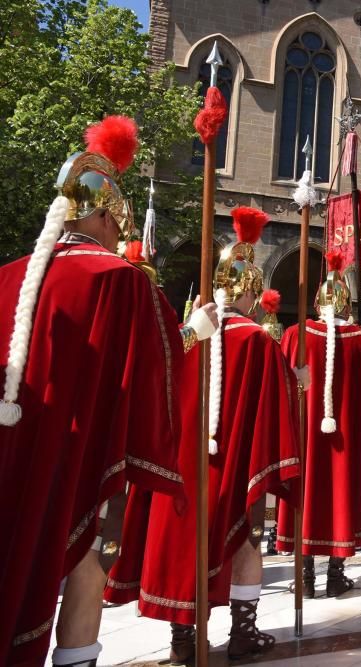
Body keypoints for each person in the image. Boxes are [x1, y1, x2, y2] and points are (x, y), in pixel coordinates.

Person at [0, 116, 219, 667]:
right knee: (87, 562)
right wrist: (200, 328)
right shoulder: (120, 279)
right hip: (76, 458)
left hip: (12, 457)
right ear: (101, 215)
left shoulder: (8, 276)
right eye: (114, 226)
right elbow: (159, 357)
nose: (118, 237)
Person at [105, 207, 301, 663]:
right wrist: (300, 382)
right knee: (246, 539)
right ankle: (242, 632)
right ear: (252, 293)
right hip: (237, 464)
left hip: (180, 467)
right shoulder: (258, 342)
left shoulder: (184, 335)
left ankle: (182, 642)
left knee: (182, 548)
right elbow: (277, 406)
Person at [276, 250, 361, 597]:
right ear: (344, 303)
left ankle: (306, 573)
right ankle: (335, 572)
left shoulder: (296, 335)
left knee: (307, 491)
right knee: (342, 493)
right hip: (347, 440)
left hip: (307, 437)